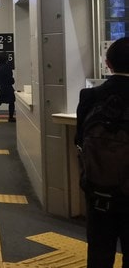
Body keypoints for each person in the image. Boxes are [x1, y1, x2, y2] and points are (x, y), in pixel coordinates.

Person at [75, 37, 129, 268]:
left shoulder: (90, 96)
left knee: (99, 250)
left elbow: (79, 140)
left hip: (99, 189)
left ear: (108, 63)